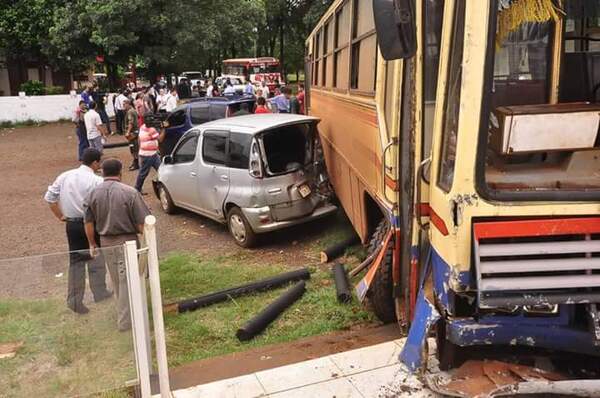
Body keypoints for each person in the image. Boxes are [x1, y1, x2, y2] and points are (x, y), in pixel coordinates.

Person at [84, 158, 151, 331]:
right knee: (127, 282)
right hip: (126, 241)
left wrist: (93, 244)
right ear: (120, 172)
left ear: (102, 172)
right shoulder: (129, 192)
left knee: (116, 280)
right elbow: (142, 224)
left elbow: (88, 223)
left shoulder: (92, 194)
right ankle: (126, 322)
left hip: (106, 242)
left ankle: (125, 315)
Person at [44, 148, 111, 314]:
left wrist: (61, 216)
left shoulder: (65, 176)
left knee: (76, 262)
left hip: (72, 224)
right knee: (96, 256)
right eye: (99, 162)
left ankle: (75, 299)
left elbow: (50, 198)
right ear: (95, 162)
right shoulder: (97, 180)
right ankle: (99, 291)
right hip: (91, 223)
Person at [135, 114, 167, 193]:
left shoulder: (142, 127)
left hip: (149, 153)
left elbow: (139, 140)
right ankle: (137, 189)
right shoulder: (152, 129)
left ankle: (165, 185)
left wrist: (142, 149)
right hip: (148, 155)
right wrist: (164, 129)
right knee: (143, 173)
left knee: (161, 169)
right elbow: (160, 139)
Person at [124, 99, 140, 171]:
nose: (123, 106)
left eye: (124, 104)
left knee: (133, 148)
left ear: (128, 104)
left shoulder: (130, 112)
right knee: (134, 147)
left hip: (132, 133)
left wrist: (128, 132)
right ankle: (135, 162)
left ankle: (136, 163)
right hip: (135, 132)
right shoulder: (133, 110)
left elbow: (131, 122)